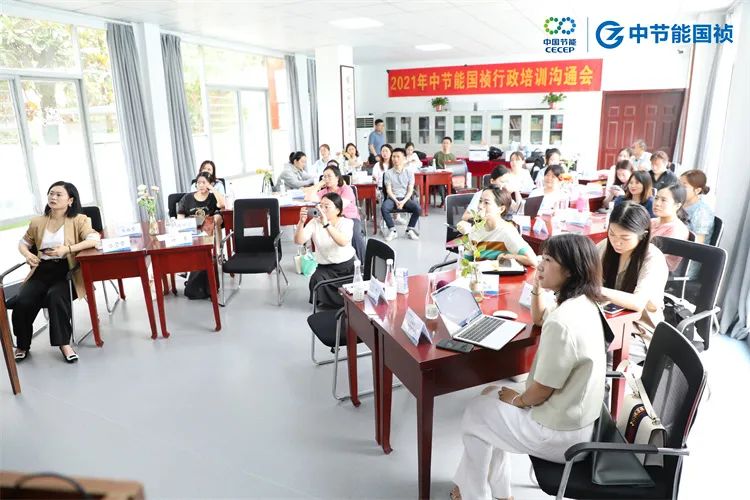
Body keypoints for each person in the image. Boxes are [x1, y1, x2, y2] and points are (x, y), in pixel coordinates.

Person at [452, 234, 606, 500]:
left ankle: (473, 494)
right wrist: (537, 286)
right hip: (580, 420)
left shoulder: (562, 323)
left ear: (570, 271)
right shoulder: (584, 304)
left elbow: (542, 391)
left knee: (476, 413)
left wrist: (518, 400)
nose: (540, 265)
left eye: (548, 260)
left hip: (560, 434)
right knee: (489, 397)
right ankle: (499, 493)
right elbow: (540, 317)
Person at [12, 181, 100, 363]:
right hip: (41, 270)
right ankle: (22, 344)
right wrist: (28, 255)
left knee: (56, 296)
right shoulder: (37, 222)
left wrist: (67, 249)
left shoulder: (79, 220)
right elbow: (23, 243)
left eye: (59, 194)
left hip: (67, 271)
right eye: (51, 193)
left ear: (70, 200)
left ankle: (64, 344)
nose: (53, 197)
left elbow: (94, 239)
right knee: (22, 301)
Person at [598, 201, 668, 359]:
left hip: (640, 331)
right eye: (612, 234)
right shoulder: (605, 246)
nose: (616, 242)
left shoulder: (653, 259)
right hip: (608, 320)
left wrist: (596, 290)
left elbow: (637, 302)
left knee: (596, 350)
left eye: (625, 237)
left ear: (643, 235)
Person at [294, 193, 355, 310]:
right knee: (316, 280)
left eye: (327, 206)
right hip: (326, 268)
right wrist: (301, 222)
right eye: (321, 206)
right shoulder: (314, 222)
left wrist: (326, 224)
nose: (322, 209)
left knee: (353, 291)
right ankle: (330, 303)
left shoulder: (347, 223)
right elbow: (298, 241)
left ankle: (345, 303)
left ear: (338, 210)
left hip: (347, 267)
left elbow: (342, 242)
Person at [456, 187, 537, 267]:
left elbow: (532, 260)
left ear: (501, 209)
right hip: (479, 274)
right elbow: (466, 263)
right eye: (480, 201)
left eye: (486, 202)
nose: (480, 206)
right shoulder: (475, 229)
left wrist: (506, 257)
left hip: (499, 275)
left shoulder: (507, 231)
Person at [305, 164, 365, 261]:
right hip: (330, 219)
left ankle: (364, 264)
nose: (326, 179)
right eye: (324, 177)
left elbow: (339, 207)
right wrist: (319, 184)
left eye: (329, 176)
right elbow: (308, 197)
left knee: (355, 234)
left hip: (349, 218)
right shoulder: (325, 192)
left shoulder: (346, 189)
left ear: (337, 177)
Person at [382, 147, 420, 241]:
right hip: (392, 198)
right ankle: (392, 230)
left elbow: (410, 190)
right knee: (384, 208)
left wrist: (403, 201)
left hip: (405, 198)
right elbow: (389, 191)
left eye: (398, 157)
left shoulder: (409, 172)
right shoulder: (388, 173)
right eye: (393, 156)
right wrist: (396, 201)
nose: (395, 159)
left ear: (404, 158)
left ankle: (410, 229)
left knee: (417, 208)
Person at [651, 183, 690, 270]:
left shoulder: (677, 229)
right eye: (656, 198)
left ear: (677, 205)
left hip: (658, 271)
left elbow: (656, 258)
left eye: (663, 200)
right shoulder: (652, 222)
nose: (657, 203)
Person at [680, 169, 714, 244]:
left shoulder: (702, 212)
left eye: (684, 186)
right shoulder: (678, 203)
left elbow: (698, 243)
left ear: (697, 190)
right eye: (678, 184)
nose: (678, 188)